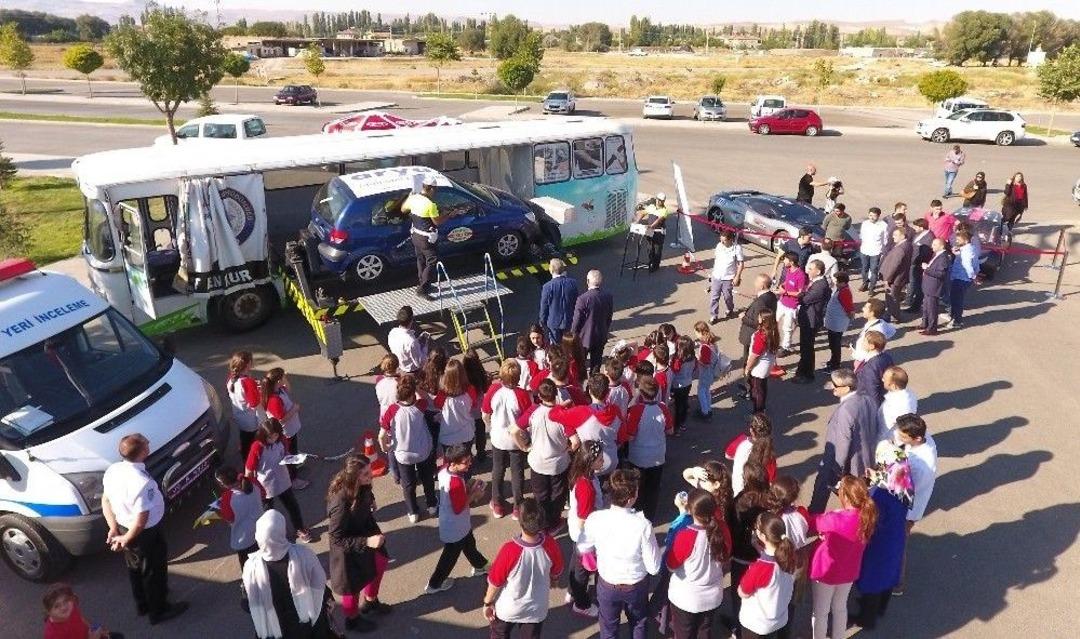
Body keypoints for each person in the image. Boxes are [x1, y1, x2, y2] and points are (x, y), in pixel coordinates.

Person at [100, 434, 188, 625]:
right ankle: (159, 610)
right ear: (143, 451)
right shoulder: (141, 482)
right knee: (154, 570)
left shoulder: (113, 470)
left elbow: (105, 500)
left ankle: (143, 604)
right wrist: (126, 538)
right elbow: (141, 520)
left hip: (125, 526)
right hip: (144, 533)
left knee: (135, 568)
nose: (149, 444)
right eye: (146, 443)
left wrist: (114, 528)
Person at [577, 468, 662, 639]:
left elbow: (583, 547)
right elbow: (654, 567)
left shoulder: (596, 519)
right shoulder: (643, 525)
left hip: (607, 584)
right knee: (638, 623)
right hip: (636, 586)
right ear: (631, 498)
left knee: (608, 628)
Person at [241, 510, 334, 639]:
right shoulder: (304, 555)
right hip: (309, 626)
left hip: (275, 630)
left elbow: (247, 604)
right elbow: (319, 585)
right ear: (282, 532)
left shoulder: (251, 567)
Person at [326, 455, 391, 633]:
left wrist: (371, 498)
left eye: (370, 471)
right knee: (352, 587)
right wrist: (367, 541)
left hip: (364, 530)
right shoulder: (340, 502)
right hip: (348, 550)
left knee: (380, 562)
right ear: (354, 477)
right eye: (365, 474)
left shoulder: (362, 485)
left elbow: (366, 491)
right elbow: (336, 538)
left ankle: (370, 602)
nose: (371, 475)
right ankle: (352, 620)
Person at [852, 442, 913, 630]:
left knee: (873, 581)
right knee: (888, 578)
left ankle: (866, 619)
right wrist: (877, 476)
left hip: (879, 544)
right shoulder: (903, 484)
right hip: (895, 540)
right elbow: (890, 479)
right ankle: (881, 609)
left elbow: (869, 517)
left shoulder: (882, 496)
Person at [484, 498, 565, 638]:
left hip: (509, 608)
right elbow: (556, 572)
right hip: (536, 609)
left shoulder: (509, 550)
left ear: (521, 522)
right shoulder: (550, 545)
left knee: (499, 633)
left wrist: (488, 602)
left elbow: (495, 582)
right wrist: (554, 581)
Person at [809, 476, 878, 639]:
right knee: (840, 607)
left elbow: (813, 523)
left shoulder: (835, 518)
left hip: (826, 572)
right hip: (849, 571)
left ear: (845, 497)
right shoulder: (866, 517)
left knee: (820, 612)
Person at [808, 369, 880, 513]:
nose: (832, 387)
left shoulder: (846, 410)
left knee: (826, 483)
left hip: (841, 460)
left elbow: (843, 441)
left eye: (835, 385)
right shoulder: (868, 399)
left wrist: (837, 469)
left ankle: (815, 515)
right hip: (865, 458)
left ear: (847, 388)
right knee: (856, 492)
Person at [424, 444, 489, 595]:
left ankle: (480, 565)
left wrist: (468, 488)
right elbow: (459, 507)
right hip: (456, 525)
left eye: (469, 460)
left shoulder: (444, 470)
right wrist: (474, 493)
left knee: (469, 544)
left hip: (454, 523)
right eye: (465, 462)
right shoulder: (455, 482)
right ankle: (435, 583)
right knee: (449, 557)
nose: (469, 464)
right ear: (453, 463)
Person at [666, 491, 729, 639]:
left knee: (684, 634)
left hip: (686, 599)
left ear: (690, 510)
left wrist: (682, 512)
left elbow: (671, 565)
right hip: (712, 596)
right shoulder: (722, 529)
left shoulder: (686, 535)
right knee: (704, 631)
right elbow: (727, 555)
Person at [521, 379, 578, 533]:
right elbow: (575, 441)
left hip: (537, 461)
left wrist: (524, 446)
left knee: (540, 496)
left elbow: (514, 429)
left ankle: (540, 524)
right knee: (557, 495)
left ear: (539, 396)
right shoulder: (562, 415)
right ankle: (553, 523)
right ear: (556, 393)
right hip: (558, 463)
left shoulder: (533, 412)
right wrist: (568, 450)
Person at [378, 374, 437, 524]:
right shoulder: (420, 406)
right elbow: (425, 398)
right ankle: (431, 505)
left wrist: (385, 447)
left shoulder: (392, 409)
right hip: (423, 450)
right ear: (412, 393)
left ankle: (413, 511)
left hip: (403, 454)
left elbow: (381, 435)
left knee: (408, 484)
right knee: (427, 479)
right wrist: (416, 388)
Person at [246, 418, 313, 543]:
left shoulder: (282, 440)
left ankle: (299, 528)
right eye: (270, 437)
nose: (273, 439)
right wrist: (254, 486)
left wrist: (293, 459)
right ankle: (274, 536)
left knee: (292, 506)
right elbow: (249, 469)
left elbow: (285, 453)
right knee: (268, 514)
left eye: (276, 435)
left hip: (283, 480)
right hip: (265, 486)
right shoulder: (257, 447)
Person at [894, 414, 938, 595]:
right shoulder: (926, 440)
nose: (898, 437)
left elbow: (905, 490)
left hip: (907, 511)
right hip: (911, 507)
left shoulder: (919, 466)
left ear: (917, 438)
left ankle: (897, 583)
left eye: (903, 436)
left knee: (898, 545)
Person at [620, 376, 673, 523]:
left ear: (641, 393)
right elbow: (670, 430)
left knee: (637, 488)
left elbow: (630, 437)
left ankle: (637, 516)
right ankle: (649, 517)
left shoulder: (636, 410)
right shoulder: (663, 407)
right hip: (657, 455)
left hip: (638, 457)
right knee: (653, 488)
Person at [485, 359, 533, 519]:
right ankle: (518, 506)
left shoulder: (493, 389)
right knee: (517, 472)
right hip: (516, 441)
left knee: (498, 470)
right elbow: (528, 420)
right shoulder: (522, 395)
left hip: (498, 438)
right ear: (518, 377)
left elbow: (485, 413)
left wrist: (491, 426)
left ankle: (497, 503)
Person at [737, 513, 798, 639]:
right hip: (777, 619)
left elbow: (743, 592)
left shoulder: (760, 568)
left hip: (757, 624)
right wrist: (759, 549)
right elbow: (773, 558)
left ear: (763, 536)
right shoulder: (789, 557)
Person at [730, 462, 771, 633]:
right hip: (763, 554)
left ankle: (739, 629)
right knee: (759, 594)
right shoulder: (770, 499)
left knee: (739, 594)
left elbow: (733, 527)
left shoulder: (741, 501)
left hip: (741, 556)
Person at [566, 441, 606, 617]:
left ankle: (572, 591)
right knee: (582, 571)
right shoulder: (586, 487)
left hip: (577, 531)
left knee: (575, 564)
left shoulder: (581, 475)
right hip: (584, 535)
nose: (603, 461)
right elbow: (583, 518)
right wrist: (586, 543)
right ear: (589, 461)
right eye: (600, 459)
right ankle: (581, 604)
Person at [261, 368, 308, 490]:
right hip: (286, 432)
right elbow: (281, 419)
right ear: (278, 381)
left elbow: (288, 388)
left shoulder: (279, 390)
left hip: (291, 430)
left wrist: (285, 378)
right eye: (282, 378)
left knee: (293, 451)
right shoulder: (274, 400)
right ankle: (293, 479)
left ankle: (294, 468)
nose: (284, 380)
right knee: (289, 454)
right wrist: (294, 409)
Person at [402, 174, 446, 299]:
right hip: (426, 238)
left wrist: (409, 197)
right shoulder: (430, 204)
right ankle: (422, 289)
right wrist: (449, 215)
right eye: (435, 189)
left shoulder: (413, 198)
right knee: (432, 261)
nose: (435, 192)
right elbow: (437, 222)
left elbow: (403, 209)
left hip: (415, 235)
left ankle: (423, 283)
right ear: (431, 188)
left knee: (420, 260)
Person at [215, 466, 263, 571]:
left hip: (245, 539)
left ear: (222, 484)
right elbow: (263, 494)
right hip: (262, 530)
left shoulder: (227, 498)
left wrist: (219, 512)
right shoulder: (252, 482)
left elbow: (229, 519)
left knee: (247, 567)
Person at [43, 583, 124, 639]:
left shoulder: (71, 609)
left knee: (119, 636)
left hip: (89, 635)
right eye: (56, 606)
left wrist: (94, 628)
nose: (64, 607)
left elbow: (81, 619)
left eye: (66, 600)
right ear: (48, 611)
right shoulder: (52, 635)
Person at [571, 269, 615, 374]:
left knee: (580, 365)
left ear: (587, 281)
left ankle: (581, 382)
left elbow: (577, 320)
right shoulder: (608, 297)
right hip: (600, 336)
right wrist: (605, 330)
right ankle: (594, 382)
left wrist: (573, 334)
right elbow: (609, 317)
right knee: (596, 365)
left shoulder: (582, 299)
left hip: (584, 338)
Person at [793, 259, 830, 383]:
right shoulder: (816, 282)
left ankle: (808, 375)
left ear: (818, 271)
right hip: (807, 318)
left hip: (811, 320)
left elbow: (805, 299)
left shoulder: (820, 286)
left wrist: (798, 295)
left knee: (807, 348)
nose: (807, 271)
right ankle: (801, 371)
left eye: (810, 269)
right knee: (805, 347)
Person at [726, 413, 778, 496]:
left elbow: (727, 455)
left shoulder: (741, 441)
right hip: (760, 493)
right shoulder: (769, 451)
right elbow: (771, 479)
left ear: (751, 430)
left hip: (739, 489)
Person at [435, 359, 480, 452]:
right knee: (466, 457)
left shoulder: (443, 393)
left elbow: (437, 405)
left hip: (447, 435)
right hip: (466, 433)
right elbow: (474, 405)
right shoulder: (470, 389)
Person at [226, 350, 261, 460]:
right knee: (252, 443)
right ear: (248, 364)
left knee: (244, 437)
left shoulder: (231, 378)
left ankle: (244, 454)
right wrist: (259, 390)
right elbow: (255, 403)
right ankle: (249, 461)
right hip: (251, 420)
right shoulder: (248, 382)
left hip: (239, 416)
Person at [743, 310, 779, 414]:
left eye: (759, 316)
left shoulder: (760, 336)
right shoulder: (773, 331)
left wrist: (747, 368)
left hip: (759, 368)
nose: (757, 317)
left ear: (763, 320)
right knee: (762, 387)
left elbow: (755, 356)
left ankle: (758, 413)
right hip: (767, 364)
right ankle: (762, 407)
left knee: (757, 391)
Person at [538, 258, 579, 345]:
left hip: (553, 323)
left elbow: (544, 306)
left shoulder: (547, 286)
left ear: (551, 270)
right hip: (569, 321)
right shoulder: (573, 283)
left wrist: (542, 322)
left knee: (556, 347)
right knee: (569, 345)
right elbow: (576, 303)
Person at [739, 274, 778, 364]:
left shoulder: (761, 302)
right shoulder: (771, 295)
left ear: (762, 286)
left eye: (757, 281)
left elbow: (757, 323)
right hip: (761, 334)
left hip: (751, 334)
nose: (754, 283)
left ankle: (747, 371)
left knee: (748, 358)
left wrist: (743, 317)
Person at [773, 252, 806, 357]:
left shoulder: (800, 275)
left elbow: (800, 293)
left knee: (787, 328)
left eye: (786, 259)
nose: (784, 261)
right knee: (773, 321)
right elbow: (787, 282)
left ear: (791, 262)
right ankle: (773, 341)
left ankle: (785, 347)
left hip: (791, 307)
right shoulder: (788, 270)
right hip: (782, 302)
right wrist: (781, 286)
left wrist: (785, 292)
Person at [462, 349, 492, 463]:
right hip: (479, 410)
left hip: (467, 412)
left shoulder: (463, 376)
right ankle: (481, 453)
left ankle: (468, 456)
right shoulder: (481, 374)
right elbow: (485, 389)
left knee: (468, 437)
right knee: (480, 434)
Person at [879, 227, 913, 323]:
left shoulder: (900, 248)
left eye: (895, 235)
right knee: (895, 297)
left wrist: (887, 279)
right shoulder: (907, 245)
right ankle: (893, 314)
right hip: (900, 277)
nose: (893, 237)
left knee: (892, 298)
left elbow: (894, 265)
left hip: (894, 278)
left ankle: (893, 316)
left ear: (903, 236)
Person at [709, 230, 745, 323]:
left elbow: (741, 264)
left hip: (728, 278)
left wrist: (737, 277)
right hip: (716, 277)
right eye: (721, 240)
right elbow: (717, 260)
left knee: (727, 297)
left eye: (724, 241)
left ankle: (730, 309)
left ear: (730, 240)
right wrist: (713, 274)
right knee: (714, 297)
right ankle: (714, 315)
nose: (721, 242)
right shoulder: (719, 246)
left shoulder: (737, 248)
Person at [823, 272, 855, 371]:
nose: (835, 283)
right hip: (834, 322)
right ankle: (833, 360)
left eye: (837, 282)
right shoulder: (840, 289)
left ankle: (835, 365)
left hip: (837, 324)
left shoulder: (844, 292)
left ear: (843, 282)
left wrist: (850, 319)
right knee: (833, 344)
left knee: (835, 345)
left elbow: (849, 309)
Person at [854, 331, 894, 406]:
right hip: (883, 393)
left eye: (864, 341)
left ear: (872, 346)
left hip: (867, 398)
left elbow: (872, 388)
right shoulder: (887, 356)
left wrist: (874, 407)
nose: (862, 343)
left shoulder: (870, 367)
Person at [919, 237, 950, 336]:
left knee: (932, 308)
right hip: (928, 285)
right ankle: (925, 324)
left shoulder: (943, 257)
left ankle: (932, 328)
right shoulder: (937, 254)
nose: (932, 246)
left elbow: (941, 274)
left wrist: (926, 269)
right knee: (926, 307)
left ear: (941, 246)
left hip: (933, 287)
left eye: (935, 245)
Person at [635, 192, 672, 273]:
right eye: (659, 200)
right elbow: (642, 213)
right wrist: (637, 221)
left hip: (659, 232)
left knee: (657, 249)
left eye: (662, 200)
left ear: (664, 201)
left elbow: (659, 220)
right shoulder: (651, 207)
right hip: (650, 230)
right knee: (649, 248)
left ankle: (655, 266)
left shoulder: (664, 210)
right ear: (656, 199)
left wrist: (651, 226)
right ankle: (651, 261)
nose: (660, 202)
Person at [879, 366, 918, 441]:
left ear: (893, 386)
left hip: (889, 439)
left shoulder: (900, 405)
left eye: (885, 379)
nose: (882, 380)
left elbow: (888, 425)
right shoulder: (907, 393)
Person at [948, 230, 977, 329]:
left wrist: (973, 277)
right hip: (962, 278)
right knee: (956, 299)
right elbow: (976, 263)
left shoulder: (966, 251)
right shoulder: (971, 248)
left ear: (965, 240)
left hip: (961, 278)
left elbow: (967, 265)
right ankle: (953, 317)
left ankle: (957, 321)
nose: (956, 241)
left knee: (957, 300)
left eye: (959, 239)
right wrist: (957, 254)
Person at [692, 322, 721, 419]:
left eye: (696, 332)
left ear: (700, 332)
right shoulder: (712, 341)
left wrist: (697, 358)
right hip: (711, 372)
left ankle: (704, 412)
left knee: (701, 391)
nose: (695, 334)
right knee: (707, 390)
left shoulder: (705, 347)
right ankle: (708, 409)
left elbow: (705, 363)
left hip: (705, 372)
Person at [904, 219, 934, 313]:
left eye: (916, 227)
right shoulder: (918, 234)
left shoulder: (929, 237)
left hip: (919, 264)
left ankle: (915, 305)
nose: (914, 228)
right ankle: (913, 302)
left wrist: (919, 263)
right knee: (914, 283)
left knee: (917, 285)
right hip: (913, 262)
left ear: (921, 228)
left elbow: (926, 253)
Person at [670, 336, 697, 435]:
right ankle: (682, 423)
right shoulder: (693, 358)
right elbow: (695, 368)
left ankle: (676, 427)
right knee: (684, 403)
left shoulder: (678, 360)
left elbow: (674, 370)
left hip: (678, 385)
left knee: (678, 406)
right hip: (688, 383)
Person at [388, 306, 428, 374]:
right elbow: (419, 363)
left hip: (399, 367)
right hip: (412, 372)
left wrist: (417, 341)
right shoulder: (411, 341)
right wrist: (424, 346)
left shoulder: (392, 332)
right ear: (411, 320)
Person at [858, 207, 888, 294]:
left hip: (876, 252)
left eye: (874, 216)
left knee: (874, 270)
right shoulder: (865, 223)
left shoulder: (883, 225)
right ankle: (865, 283)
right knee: (864, 269)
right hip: (864, 250)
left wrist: (882, 251)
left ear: (878, 216)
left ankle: (872, 288)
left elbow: (885, 239)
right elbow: (861, 235)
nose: (871, 217)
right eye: (870, 215)